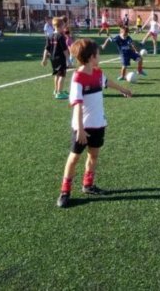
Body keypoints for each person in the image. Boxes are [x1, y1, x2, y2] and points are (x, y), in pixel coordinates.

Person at [56, 38, 132, 208]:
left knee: (93, 155)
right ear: (91, 57)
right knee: (74, 158)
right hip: (82, 127)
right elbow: (77, 105)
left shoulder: (98, 73)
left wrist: (124, 90)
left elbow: (108, 82)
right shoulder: (78, 78)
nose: (99, 56)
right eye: (98, 54)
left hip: (98, 124)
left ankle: (88, 184)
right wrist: (80, 129)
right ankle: (65, 191)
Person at [41, 17, 70, 99]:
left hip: (53, 59)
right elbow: (65, 50)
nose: (64, 29)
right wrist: (68, 60)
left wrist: (44, 59)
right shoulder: (61, 37)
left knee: (56, 74)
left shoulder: (50, 36)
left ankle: (56, 90)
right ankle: (59, 93)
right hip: (60, 58)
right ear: (60, 27)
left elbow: (46, 49)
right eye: (63, 27)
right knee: (62, 75)